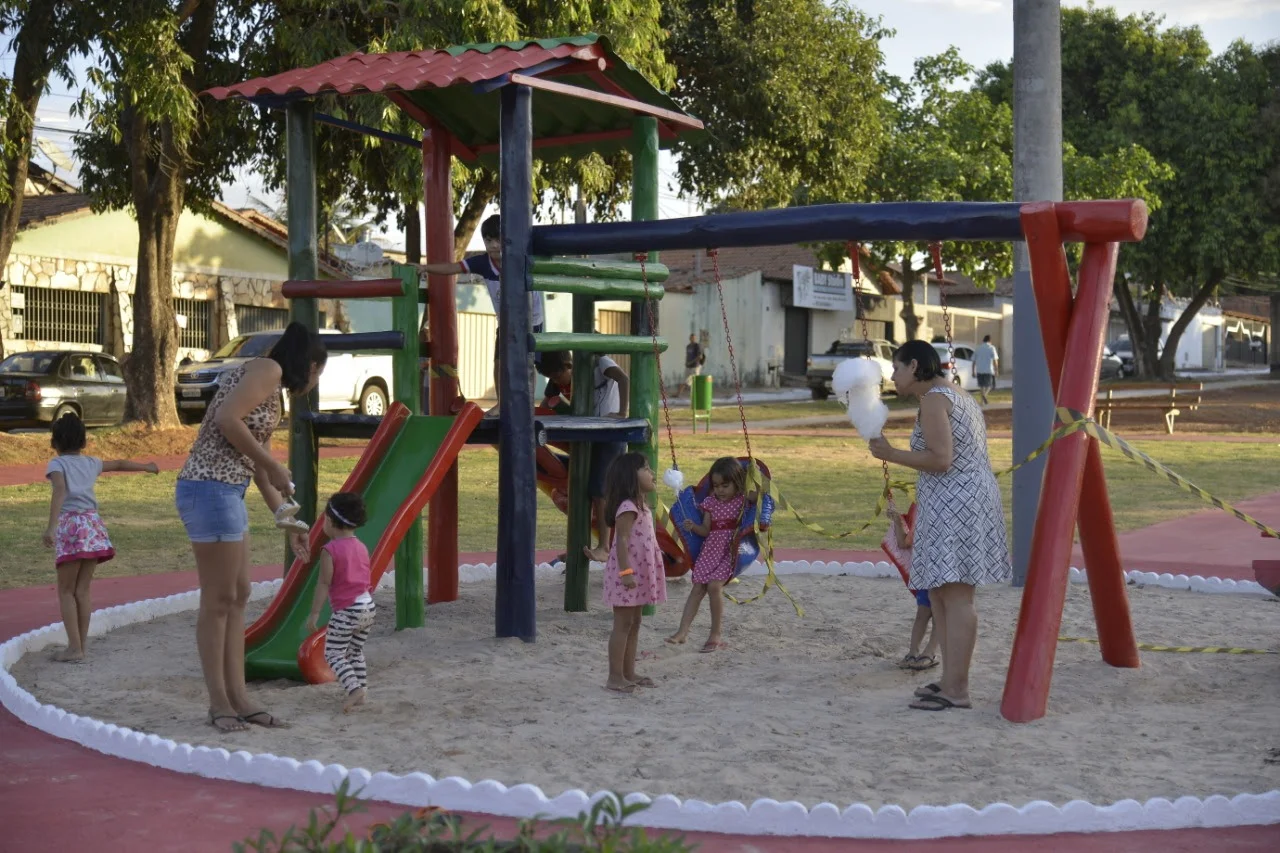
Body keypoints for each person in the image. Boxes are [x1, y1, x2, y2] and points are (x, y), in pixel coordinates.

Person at [175, 321, 326, 733]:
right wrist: (273, 464)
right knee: (219, 599)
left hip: (228, 492)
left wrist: (288, 520)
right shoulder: (267, 371)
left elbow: (260, 472)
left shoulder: (270, 389)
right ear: (311, 364)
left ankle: (239, 697)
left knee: (238, 595)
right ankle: (219, 703)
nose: (314, 383)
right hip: (209, 489)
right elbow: (226, 420)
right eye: (318, 374)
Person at [868, 340, 1010, 712]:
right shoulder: (955, 393)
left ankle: (958, 689)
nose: (893, 376)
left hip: (957, 502)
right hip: (962, 499)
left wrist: (890, 454)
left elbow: (942, 459)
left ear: (914, 366)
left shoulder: (933, 399)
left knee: (957, 596)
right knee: (939, 594)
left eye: (897, 368)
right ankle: (949, 680)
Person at [42, 413, 159, 662]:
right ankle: (80, 645)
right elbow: (118, 464)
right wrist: (146, 467)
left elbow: (60, 491)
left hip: (72, 526)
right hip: (93, 526)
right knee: (82, 590)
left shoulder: (56, 465)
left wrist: (51, 527)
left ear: (54, 443)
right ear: (84, 442)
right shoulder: (91, 462)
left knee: (65, 591)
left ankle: (74, 649)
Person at [419, 214, 546, 415]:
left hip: (531, 319)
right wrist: (425, 268)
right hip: (505, 321)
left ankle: (528, 402)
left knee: (528, 363)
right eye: (489, 240)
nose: (494, 245)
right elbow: (453, 268)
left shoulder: (519, 258)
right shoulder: (483, 263)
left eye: (498, 240)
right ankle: (501, 402)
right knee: (498, 363)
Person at [536, 350, 630, 563]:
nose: (557, 382)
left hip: (610, 433)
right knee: (582, 489)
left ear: (569, 365)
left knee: (600, 489)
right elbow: (546, 401)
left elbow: (623, 378)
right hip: (589, 434)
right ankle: (580, 544)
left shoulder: (600, 363)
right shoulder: (559, 379)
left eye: (558, 376)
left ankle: (605, 546)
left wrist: (622, 412)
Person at [666, 457, 753, 653]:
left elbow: (758, 498)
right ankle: (682, 632)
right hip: (710, 549)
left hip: (729, 551)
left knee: (714, 587)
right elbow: (706, 530)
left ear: (737, 483)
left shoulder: (742, 501)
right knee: (697, 588)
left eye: (725, 485)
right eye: (716, 486)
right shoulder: (710, 503)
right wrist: (693, 527)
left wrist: (754, 476)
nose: (720, 490)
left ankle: (715, 635)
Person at [600, 452, 666, 693]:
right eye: (645, 469)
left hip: (638, 574)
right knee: (623, 623)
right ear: (631, 476)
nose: (652, 473)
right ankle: (614, 676)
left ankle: (629, 672)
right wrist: (626, 572)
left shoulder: (642, 505)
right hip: (627, 575)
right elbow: (622, 540)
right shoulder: (627, 507)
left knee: (635, 621)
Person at [306, 492, 375, 713]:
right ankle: (362, 689)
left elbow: (324, 583)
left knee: (333, 653)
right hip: (367, 606)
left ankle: (354, 689)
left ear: (331, 521)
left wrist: (315, 613)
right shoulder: (361, 547)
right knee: (355, 651)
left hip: (347, 611)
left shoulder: (330, 550)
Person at [882, 503, 939, 671]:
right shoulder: (918, 508)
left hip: (944, 570)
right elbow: (903, 542)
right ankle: (912, 653)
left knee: (939, 613)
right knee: (922, 612)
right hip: (926, 572)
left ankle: (929, 653)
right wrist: (898, 520)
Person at [973, 335, 999, 406]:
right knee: (989, 386)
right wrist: (996, 370)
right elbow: (995, 360)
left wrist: (973, 371)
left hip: (979, 370)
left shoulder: (978, 348)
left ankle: (982, 402)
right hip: (988, 370)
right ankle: (984, 396)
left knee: (982, 386)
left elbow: (974, 361)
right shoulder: (991, 348)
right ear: (990, 341)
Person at [678, 333, 704, 398]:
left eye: (694, 338)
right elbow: (687, 355)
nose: (693, 339)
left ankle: (698, 395)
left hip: (695, 366)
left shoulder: (697, 346)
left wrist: (691, 362)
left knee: (695, 382)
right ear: (690, 338)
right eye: (691, 337)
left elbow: (700, 356)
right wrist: (686, 362)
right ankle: (678, 394)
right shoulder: (688, 346)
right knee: (684, 380)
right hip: (688, 366)